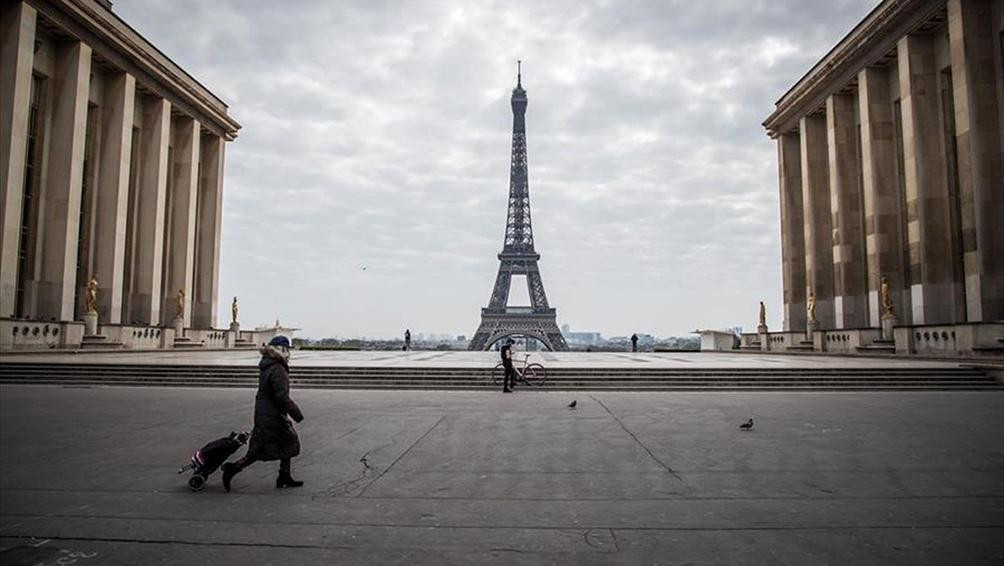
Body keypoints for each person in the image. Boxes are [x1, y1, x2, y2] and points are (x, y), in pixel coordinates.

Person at [222, 335, 305, 492]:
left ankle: (284, 476)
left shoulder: (269, 365)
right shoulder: (278, 368)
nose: (289, 354)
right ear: (282, 350)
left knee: (287, 442)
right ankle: (233, 468)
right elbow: (281, 396)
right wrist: (296, 413)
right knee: (262, 449)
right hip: (272, 415)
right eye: (288, 350)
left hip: (266, 412)